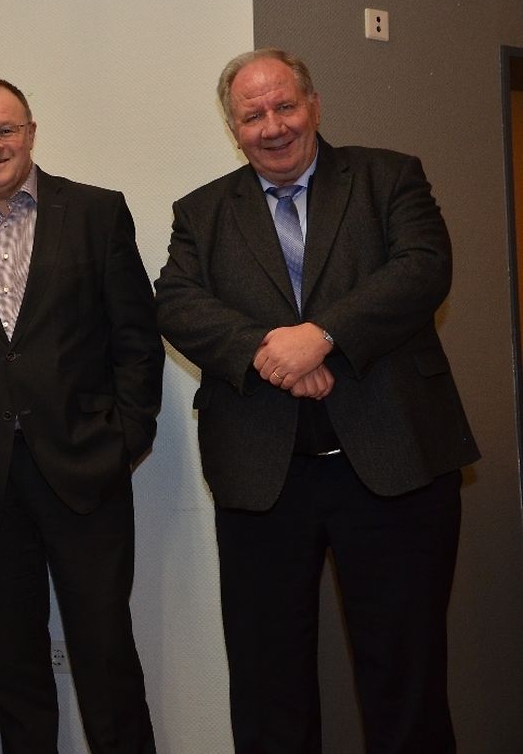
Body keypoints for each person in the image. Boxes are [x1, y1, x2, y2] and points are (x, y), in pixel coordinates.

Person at [154, 48, 480, 753]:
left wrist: (323, 337)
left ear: (314, 105)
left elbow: (423, 269)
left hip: (397, 467)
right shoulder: (202, 213)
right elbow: (176, 303)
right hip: (263, 478)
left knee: (406, 682)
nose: (272, 126)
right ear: (233, 128)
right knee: (269, 688)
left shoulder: (389, 177)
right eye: (252, 115)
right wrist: (272, 352)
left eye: (285, 106)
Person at [0, 78, 162, 754]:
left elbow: (137, 338)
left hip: (86, 470)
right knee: (12, 666)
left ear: (31, 132)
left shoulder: (97, 212)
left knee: (106, 655)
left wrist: (124, 439)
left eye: (6, 130)